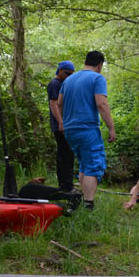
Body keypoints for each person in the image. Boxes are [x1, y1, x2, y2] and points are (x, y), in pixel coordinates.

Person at [56, 51, 116, 210]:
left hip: (70, 130)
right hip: (87, 128)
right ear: (100, 65)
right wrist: (111, 127)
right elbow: (101, 104)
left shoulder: (69, 80)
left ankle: (82, 200)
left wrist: (64, 121)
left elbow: (59, 103)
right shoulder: (97, 78)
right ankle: (88, 205)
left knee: (84, 164)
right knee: (94, 165)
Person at [47, 60, 75, 192]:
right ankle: (65, 185)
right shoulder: (55, 84)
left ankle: (67, 184)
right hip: (60, 126)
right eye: (67, 73)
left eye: (72, 74)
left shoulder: (65, 83)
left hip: (67, 124)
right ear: (60, 71)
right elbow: (53, 104)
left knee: (68, 154)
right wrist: (61, 122)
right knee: (64, 154)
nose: (69, 76)